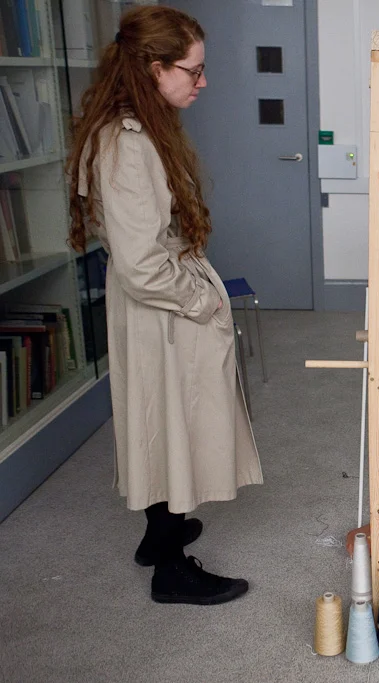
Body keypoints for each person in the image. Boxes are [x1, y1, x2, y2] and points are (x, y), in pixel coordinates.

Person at [66, 6, 262, 605]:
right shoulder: (125, 145)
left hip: (161, 304)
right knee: (170, 425)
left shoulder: (143, 129)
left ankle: (159, 534)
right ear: (155, 69)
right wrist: (202, 300)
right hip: (163, 308)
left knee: (163, 419)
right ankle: (171, 571)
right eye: (193, 70)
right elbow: (142, 265)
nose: (203, 82)